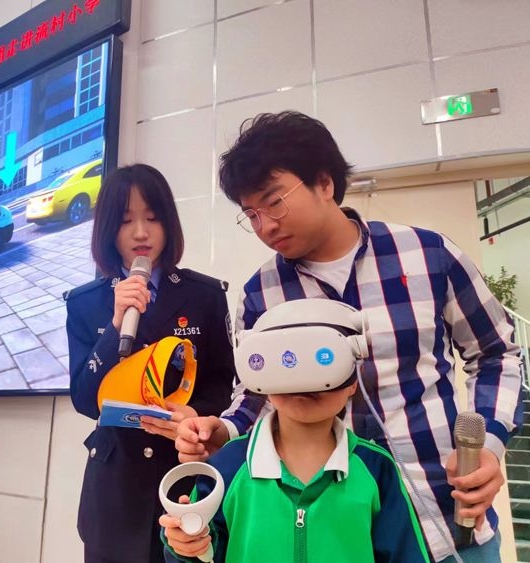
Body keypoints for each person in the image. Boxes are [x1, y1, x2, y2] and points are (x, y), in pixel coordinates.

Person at [174, 112, 523, 562]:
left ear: (324, 182)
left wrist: (487, 444)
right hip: (337, 536)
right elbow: (256, 391)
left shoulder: (427, 254)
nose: (265, 226)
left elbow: (496, 353)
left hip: (449, 517)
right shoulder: (262, 291)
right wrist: (223, 429)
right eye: (251, 215)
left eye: (274, 203)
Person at [161, 299, 430, 562]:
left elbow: (404, 554)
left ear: (353, 379)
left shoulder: (376, 468)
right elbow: (200, 549)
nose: (303, 382)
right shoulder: (229, 464)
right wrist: (185, 543)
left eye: (322, 359)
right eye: (286, 360)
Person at [65, 163, 236, 563]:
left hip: (183, 474)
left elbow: (222, 384)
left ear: (168, 224)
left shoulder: (205, 295)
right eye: (126, 221)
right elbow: (85, 399)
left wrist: (195, 414)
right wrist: (114, 327)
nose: (141, 233)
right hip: (115, 486)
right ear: (109, 229)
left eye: (153, 218)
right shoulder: (86, 303)